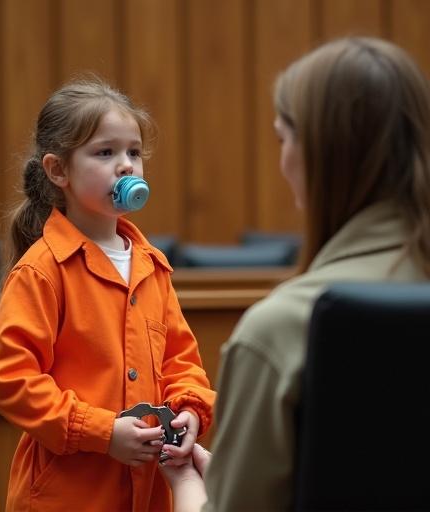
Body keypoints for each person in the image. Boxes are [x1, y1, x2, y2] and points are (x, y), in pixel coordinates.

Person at [161, 36, 430, 511]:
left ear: (323, 158)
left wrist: (187, 484)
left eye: (283, 138)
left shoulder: (278, 331)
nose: (282, 160)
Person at [0, 76, 215, 512]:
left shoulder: (152, 265)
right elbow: (12, 381)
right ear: (58, 171)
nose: (126, 165)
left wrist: (190, 409)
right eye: (105, 152)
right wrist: (101, 432)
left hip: (147, 493)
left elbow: (181, 360)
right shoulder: (42, 270)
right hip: (67, 497)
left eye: (133, 151)